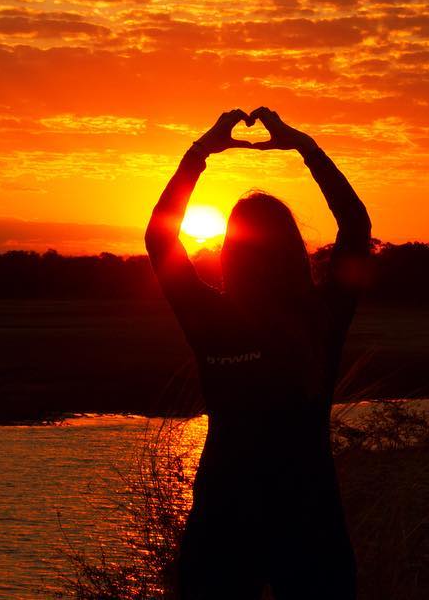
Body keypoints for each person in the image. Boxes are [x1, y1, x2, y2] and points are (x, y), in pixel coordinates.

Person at [145, 107, 372, 599]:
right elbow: (355, 227)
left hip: (238, 513)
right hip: (296, 513)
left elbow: (159, 237)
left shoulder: (222, 320)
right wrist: (304, 148)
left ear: (229, 252)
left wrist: (201, 153)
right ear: (294, 249)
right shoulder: (319, 316)